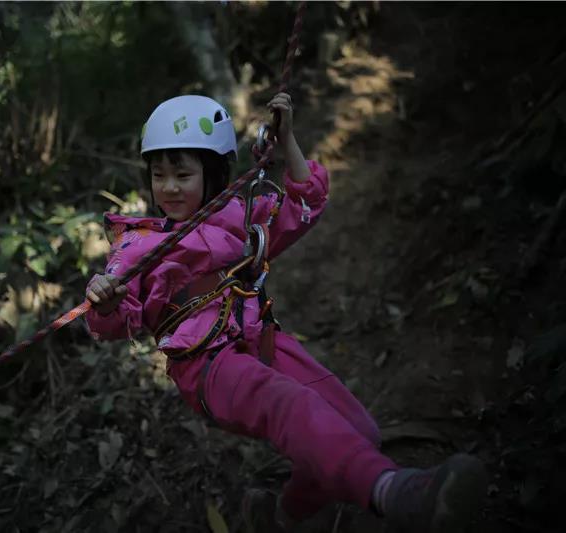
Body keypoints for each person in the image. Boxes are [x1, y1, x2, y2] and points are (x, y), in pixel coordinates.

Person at [85, 93, 487, 532]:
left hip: (262, 343)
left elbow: (304, 207)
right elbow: (115, 318)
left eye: (183, 174)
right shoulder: (139, 245)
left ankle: (282, 517)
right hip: (207, 365)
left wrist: (288, 139)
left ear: (214, 173)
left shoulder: (239, 217)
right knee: (288, 403)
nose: (169, 187)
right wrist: (103, 298)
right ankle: (396, 493)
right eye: (159, 175)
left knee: (360, 430)